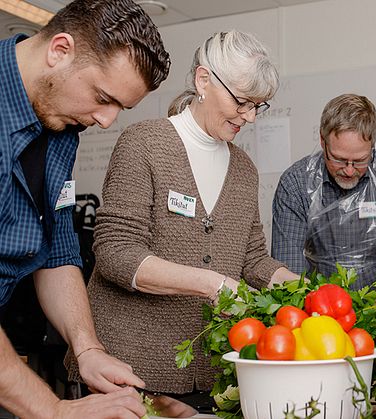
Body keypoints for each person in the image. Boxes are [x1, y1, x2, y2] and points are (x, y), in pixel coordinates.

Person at [65, 30, 298, 396]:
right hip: (128, 364)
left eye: (258, 106)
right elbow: (115, 252)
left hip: (208, 367)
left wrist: (302, 288)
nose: (250, 117)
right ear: (204, 80)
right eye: (242, 102)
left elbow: (252, 259)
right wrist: (211, 284)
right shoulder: (143, 143)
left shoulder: (244, 169)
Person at [0, 0, 170, 417]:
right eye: (102, 97)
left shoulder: (61, 128)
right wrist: (57, 411)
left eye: (121, 108)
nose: (108, 121)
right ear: (59, 50)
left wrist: (87, 347)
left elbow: (56, 254)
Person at [272, 94, 376, 321]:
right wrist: (327, 323)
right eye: (339, 159)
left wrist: (372, 321)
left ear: (372, 145)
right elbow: (290, 269)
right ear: (323, 142)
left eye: (360, 160)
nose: (349, 170)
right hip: (317, 315)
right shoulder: (296, 183)